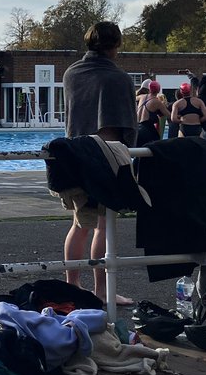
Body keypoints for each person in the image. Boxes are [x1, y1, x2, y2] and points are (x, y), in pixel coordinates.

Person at [61, 21, 137, 305]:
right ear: (116, 45)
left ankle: (72, 286)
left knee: (79, 225)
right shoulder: (118, 78)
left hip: (76, 155)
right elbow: (127, 125)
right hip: (106, 157)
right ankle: (102, 291)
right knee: (103, 227)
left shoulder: (72, 73)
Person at [135, 79, 168, 145]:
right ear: (158, 90)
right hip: (148, 130)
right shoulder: (157, 101)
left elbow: (134, 97)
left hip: (137, 129)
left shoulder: (141, 97)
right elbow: (169, 115)